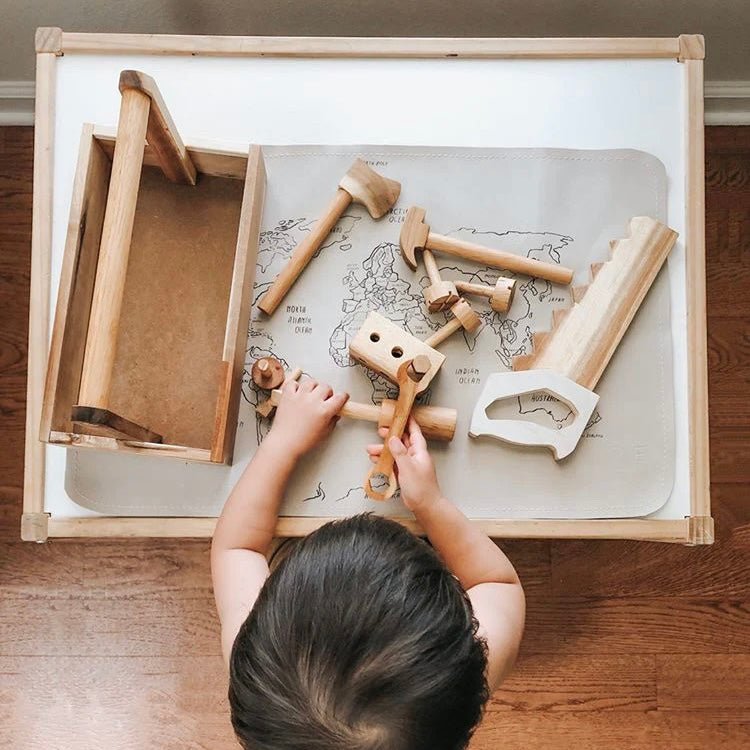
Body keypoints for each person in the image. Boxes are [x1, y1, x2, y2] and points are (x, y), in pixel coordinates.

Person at [212, 378, 525, 750]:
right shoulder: (462, 669)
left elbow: (237, 547)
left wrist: (282, 442)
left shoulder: (257, 668)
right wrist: (430, 504)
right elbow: (497, 583)